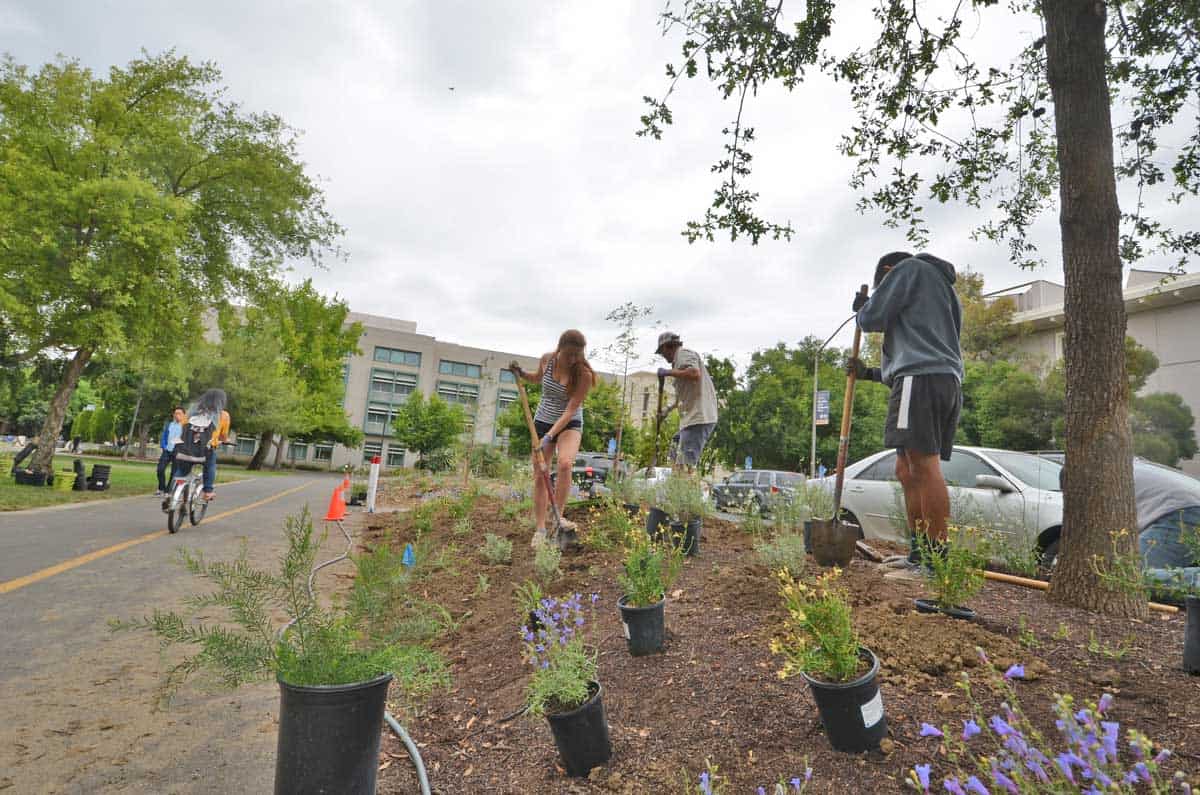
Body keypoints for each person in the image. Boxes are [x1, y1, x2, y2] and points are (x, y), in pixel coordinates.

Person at [849, 251, 963, 576]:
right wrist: (869, 373)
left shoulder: (908, 269)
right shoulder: (943, 290)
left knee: (923, 467)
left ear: (888, 272)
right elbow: (919, 348)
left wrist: (863, 309)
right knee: (906, 468)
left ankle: (934, 562)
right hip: (938, 380)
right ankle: (919, 554)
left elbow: (871, 319)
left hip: (920, 379)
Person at [510, 330, 597, 547]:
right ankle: (540, 528)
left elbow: (570, 410)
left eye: (577, 354)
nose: (573, 359)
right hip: (542, 421)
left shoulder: (584, 374)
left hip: (569, 423)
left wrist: (549, 437)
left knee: (566, 464)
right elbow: (537, 378)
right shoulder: (547, 360)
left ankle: (557, 518)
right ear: (560, 348)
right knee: (541, 473)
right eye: (569, 354)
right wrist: (521, 373)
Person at [654, 332, 719, 472]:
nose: (662, 355)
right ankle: (677, 482)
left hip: (699, 417)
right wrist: (666, 411)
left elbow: (694, 373)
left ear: (668, 347)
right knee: (674, 449)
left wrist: (667, 372)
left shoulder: (683, 354)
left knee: (685, 464)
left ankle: (684, 487)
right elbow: (680, 398)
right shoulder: (677, 365)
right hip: (691, 419)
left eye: (662, 352)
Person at [173, 390, 231, 502]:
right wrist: (225, 440)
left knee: (182, 470)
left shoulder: (192, 410)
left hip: (185, 449)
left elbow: (183, 425)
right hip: (205, 451)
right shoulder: (223, 415)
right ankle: (208, 492)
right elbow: (223, 436)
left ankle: (173, 492)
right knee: (210, 466)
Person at [155, 406, 186, 496]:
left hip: (178, 452)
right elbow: (164, 436)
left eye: (179, 413)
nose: (177, 415)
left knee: (174, 472)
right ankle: (161, 488)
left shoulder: (185, 426)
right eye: (175, 413)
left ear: (184, 415)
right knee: (160, 469)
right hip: (167, 450)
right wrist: (164, 446)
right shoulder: (169, 424)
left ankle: (168, 491)